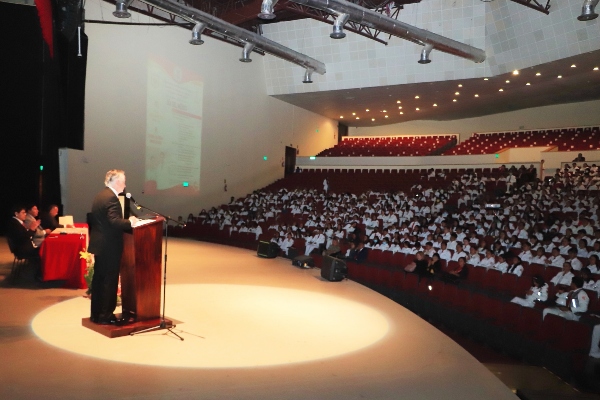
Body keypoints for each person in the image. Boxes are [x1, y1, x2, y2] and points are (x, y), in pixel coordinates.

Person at [88, 170, 138, 325]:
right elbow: (114, 221)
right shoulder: (111, 198)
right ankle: (105, 316)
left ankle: (96, 314)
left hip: (100, 245)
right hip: (109, 247)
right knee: (109, 281)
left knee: (99, 280)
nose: (125, 185)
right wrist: (130, 222)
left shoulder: (100, 195)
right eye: (123, 182)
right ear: (117, 182)